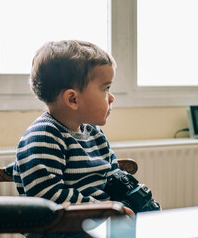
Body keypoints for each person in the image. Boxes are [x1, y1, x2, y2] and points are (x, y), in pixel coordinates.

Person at [13, 40, 134, 237]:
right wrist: (103, 209)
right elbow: (48, 197)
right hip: (63, 230)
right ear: (73, 99)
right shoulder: (43, 137)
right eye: (105, 89)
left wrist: (130, 201)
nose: (111, 98)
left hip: (95, 222)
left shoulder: (94, 134)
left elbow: (113, 176)